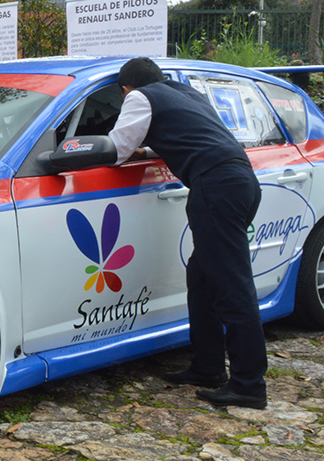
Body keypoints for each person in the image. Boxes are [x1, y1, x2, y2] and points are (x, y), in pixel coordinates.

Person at [107, 56, 267, 409]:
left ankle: (249, 385)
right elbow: (187, 135)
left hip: (215, 187)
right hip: (241, 181)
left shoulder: (139, 97)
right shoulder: (186, 93)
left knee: (232, 287)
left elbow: (117, 150)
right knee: (202, 278)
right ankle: (208, 368)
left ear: (125, 89)